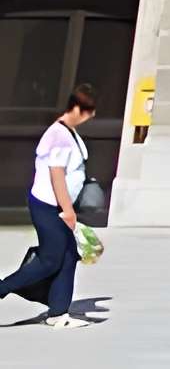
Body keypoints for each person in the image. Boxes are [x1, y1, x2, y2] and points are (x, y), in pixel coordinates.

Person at [2, 88, 93, 329]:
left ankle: (58, 313)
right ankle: (2, 288)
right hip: (48, 207)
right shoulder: (59, 136)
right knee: (50, 260)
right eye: (86, 113)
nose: (88, 118)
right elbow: (57, 176)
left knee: (68, 255)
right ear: (75, 109)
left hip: (54, 207)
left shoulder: (66, 131)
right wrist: (68, 211)